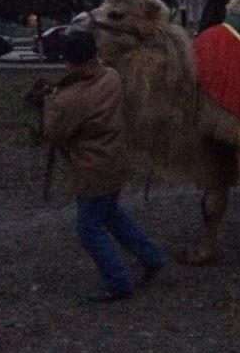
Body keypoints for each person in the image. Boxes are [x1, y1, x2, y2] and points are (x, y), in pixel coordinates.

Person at [32, 30, 165, 303]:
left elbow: (54, 134)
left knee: (88, 229)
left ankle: (118, 282)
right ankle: (152, 257)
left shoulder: (69, 99)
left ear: (68, 59)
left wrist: (48, 103)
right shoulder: (111, 77)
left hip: (93, 168)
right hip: (116, 161)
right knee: (112, 215)